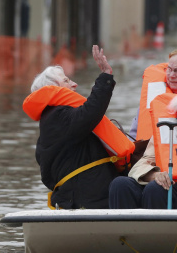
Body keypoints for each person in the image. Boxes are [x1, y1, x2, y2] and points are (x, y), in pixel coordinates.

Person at [23, 45, 135, 209]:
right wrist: (105, 77)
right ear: (53, 89)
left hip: (83, 197)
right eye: (67, 81)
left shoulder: (52, 119)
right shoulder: (58, 117)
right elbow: (90, 112)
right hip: (88, 200)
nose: (74, 84)